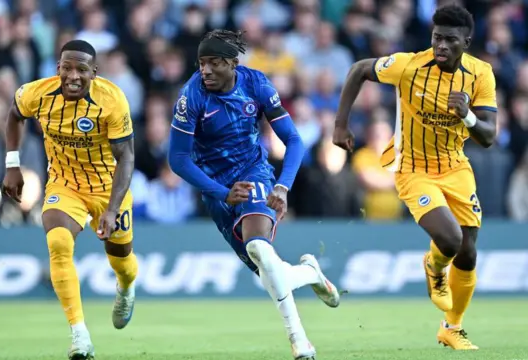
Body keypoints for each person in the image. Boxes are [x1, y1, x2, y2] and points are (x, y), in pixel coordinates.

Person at [168, 29, 340, 360]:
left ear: (232, 64)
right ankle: (309, 274)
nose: (205, 71)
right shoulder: (191, 97)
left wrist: (282, 185)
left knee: (259, 246)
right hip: (217, 189)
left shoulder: (256, 84)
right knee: (269, 273)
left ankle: (299, 341)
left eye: (214, 63)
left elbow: (293, 140)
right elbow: (177, 159)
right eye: (201, 63)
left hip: (253, 174)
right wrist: (221, 192)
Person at [333, 4, 497, 350]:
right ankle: (433, 266)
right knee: (450, 241)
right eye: (437, 38)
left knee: (468, 253)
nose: (441, 46)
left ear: (466, 42)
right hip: (412, 167)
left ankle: (452, 328)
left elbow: (489, 136)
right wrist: (340, 124)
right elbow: (360, 69)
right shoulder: (408, 65)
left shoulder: (481, 74)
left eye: (450, 40)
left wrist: (466, 115)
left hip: (456, 167)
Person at [3, 40, 137, 359]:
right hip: (64, 184)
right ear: (57, 69)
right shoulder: (36, 93)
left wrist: (113, 208)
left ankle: (127, 287)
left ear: (95, 73)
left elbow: (127, 157)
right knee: (59, 244)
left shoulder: (112, 100)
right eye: (67, 68)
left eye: (81, 69)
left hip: (108, 188)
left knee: (122, 262)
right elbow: (14, 115)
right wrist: (12, 165)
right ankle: (80, 336)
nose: (73, 76)